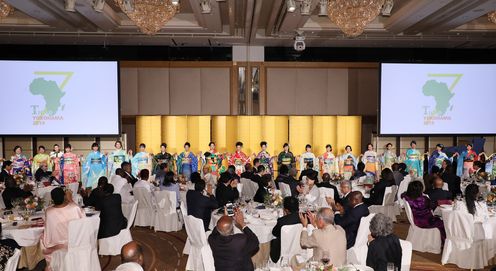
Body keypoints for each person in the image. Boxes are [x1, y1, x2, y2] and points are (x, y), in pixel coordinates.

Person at [42, 187, 85, 267]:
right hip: (76, 242)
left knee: (42, 238)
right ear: (65, 196)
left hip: (57, 244)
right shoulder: (74, 208)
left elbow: (48, 231)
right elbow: (83, 220)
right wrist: (71, 200)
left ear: (52, 199)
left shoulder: (49, 211)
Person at [270, 196, 300, 263]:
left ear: (286, 210)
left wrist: (284, 216)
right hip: (299, 247)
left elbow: (274, 233)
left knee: (273, 241)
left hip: (282, 250)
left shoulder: (282, 221)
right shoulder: (304, 218)